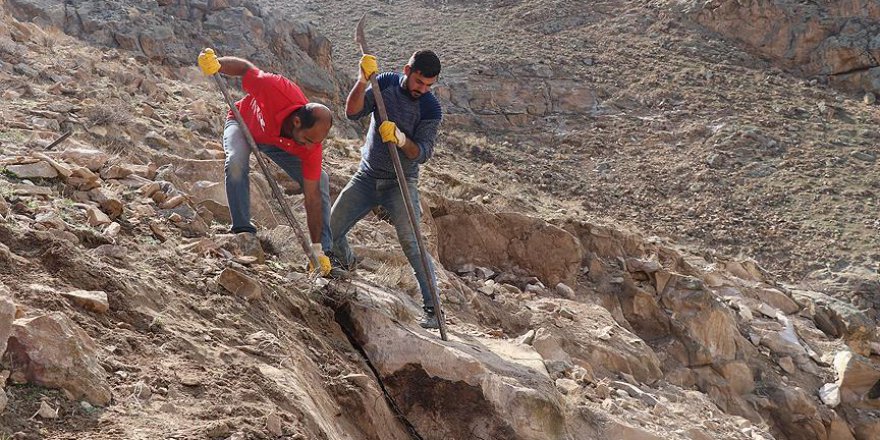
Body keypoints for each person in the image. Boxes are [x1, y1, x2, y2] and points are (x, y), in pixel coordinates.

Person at [330, 50, 443, 328]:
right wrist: (362, 81)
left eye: (429, 85)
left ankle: (434, 310)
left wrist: (402, 139)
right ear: (407, 71)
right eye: (419, 82)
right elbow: (352, 112)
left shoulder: (430, 108)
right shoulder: (385, 85)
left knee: (413, 244)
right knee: (329, 231)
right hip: (367, 177)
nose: (423, 89)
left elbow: (423, 152)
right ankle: (344, 264)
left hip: (401, 183)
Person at [197, 49, 332, 274]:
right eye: (308, 140)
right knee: (236, 162)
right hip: (243, 123)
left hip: (275, 142)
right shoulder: (274, 88)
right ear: (297, 121)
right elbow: (244, 68)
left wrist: (315, 248)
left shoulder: (311, 146)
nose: (310, 147)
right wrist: (217, 64)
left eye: (315, 143)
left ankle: (326, 253)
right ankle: (243, 232)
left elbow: (312, 200)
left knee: (320, 182)